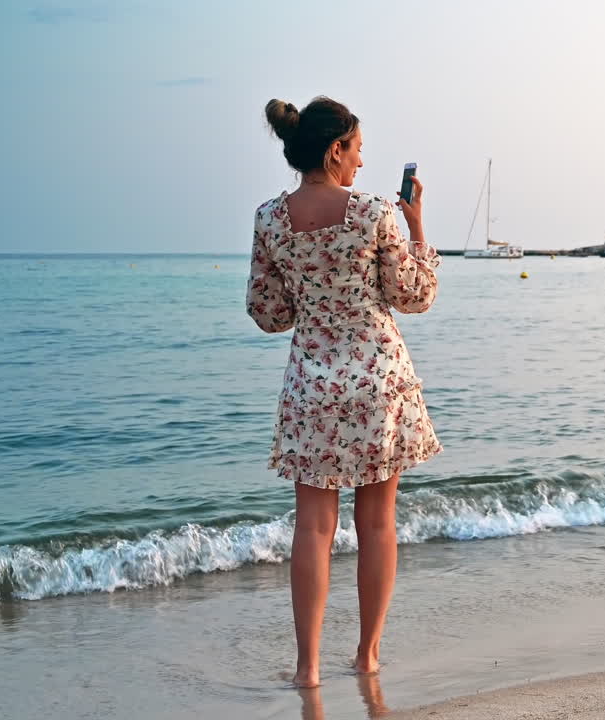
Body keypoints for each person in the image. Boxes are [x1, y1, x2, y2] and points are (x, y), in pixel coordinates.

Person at [248, 96, 443, 688]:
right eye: (357, 151)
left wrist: (312, 300)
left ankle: (307, 668)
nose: (361, 163)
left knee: (312, 527)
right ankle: (366, 657)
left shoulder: (269, 219)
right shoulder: (375, 214)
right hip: (378, 379)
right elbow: (413, 296)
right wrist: (415, 225)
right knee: (377, 522)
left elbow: (266, 311)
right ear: (335, 149)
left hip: (312, 383)